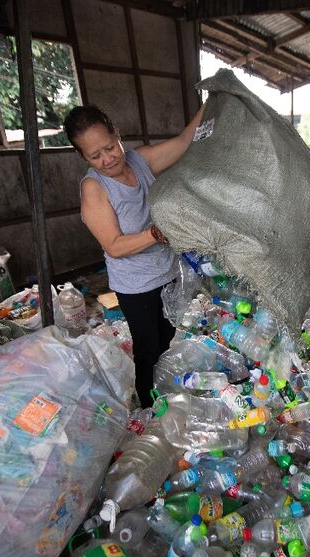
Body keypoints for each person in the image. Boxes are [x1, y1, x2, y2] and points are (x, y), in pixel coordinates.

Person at [64, 104, 204, 407]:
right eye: (95, 155)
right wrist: (155, 233)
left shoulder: (139, 161)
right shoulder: (94, 188)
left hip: (167, 273)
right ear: (83, 157)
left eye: (110, 147)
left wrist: (210, 104)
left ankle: (167, 396)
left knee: (168, 342)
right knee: (148, 350)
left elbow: (182, 142)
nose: (108, 158)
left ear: (117, 134)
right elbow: (114, 244)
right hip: (136, 287)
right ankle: (150, 412)